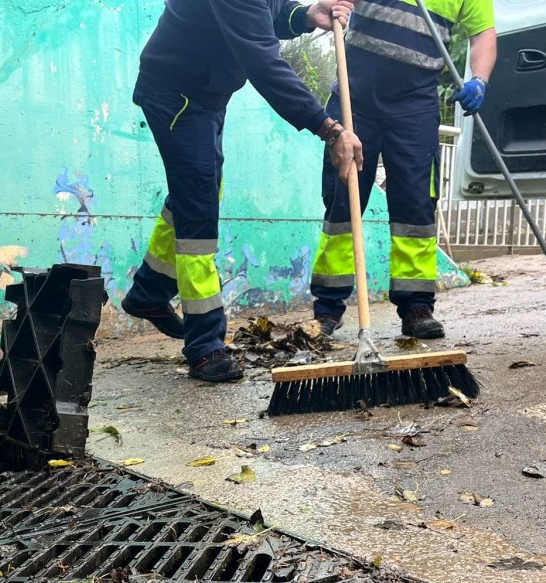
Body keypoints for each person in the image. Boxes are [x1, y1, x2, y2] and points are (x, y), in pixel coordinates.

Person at [120, 0, 365, 383]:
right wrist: (329, 129)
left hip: (205, 95)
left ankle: (149, 293)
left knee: (196, 194)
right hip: (176, 94)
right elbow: (263, 62)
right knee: (197, 209)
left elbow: (267, 13)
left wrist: (303, 16)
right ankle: (204, 347)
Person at [308, 0, 495, 339]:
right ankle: (327, 307)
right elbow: (337, 4)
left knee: (415, 205)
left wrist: (479, 79)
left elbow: (483, 36)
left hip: (415, 106)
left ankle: (416, 306)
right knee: (342, 202)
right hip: (355, 97)